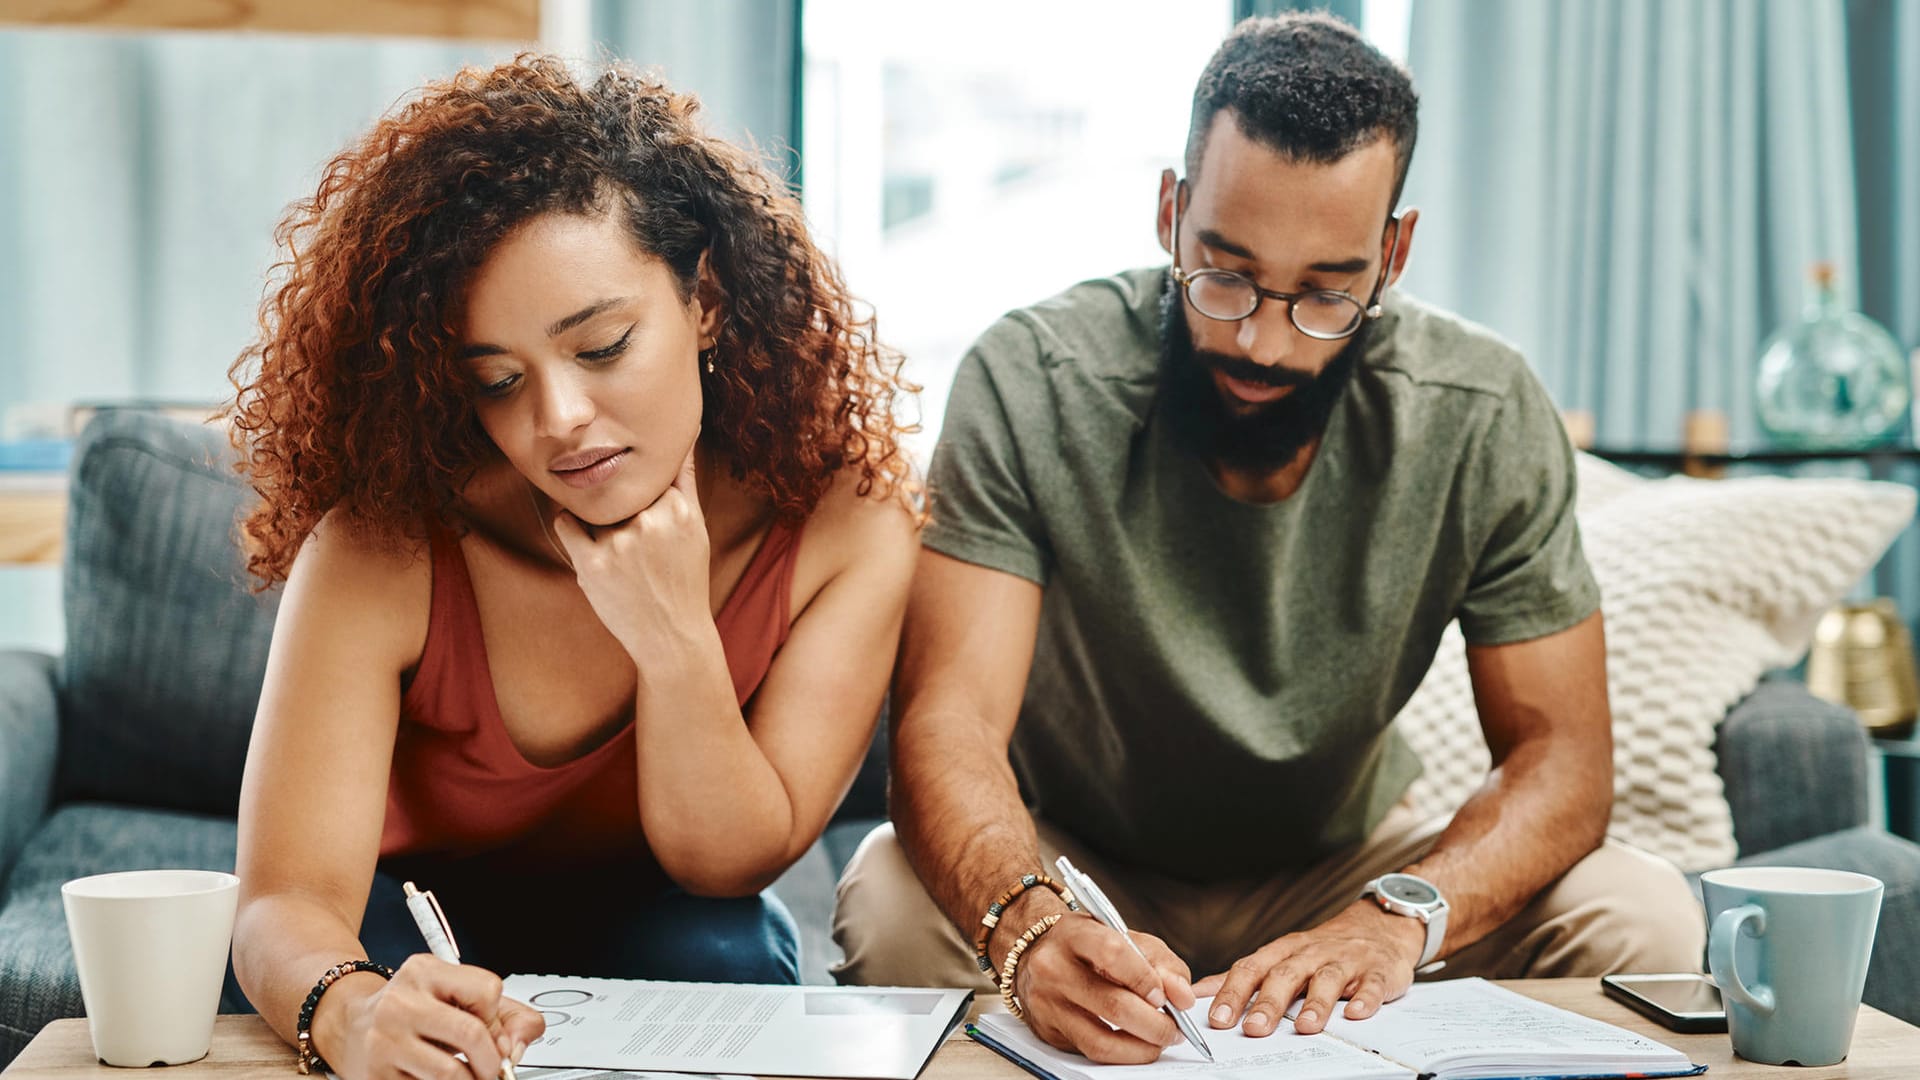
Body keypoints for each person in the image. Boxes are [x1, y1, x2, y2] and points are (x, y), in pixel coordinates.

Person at [832, 11, 1704, 1065]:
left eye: (1326, 292)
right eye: (1226, 273)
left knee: (1644, 915)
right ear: (1170, 211)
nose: (1263, 339)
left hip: (1345, 867)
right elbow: (948, 723)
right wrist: (1030, 924)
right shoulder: (1031, 380)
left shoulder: (1480, 409)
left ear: (1394, 254)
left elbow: (1563, 759)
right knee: (885, 896)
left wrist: (1394, 920)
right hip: (1081, 863)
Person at [226, 55, 919, 1080]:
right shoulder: (387, 544)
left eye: (601, 348)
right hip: (406, 919)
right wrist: (354, 1011)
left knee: (728, 956)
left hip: (670, 923)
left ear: (709, 301)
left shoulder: (848, 523)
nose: (556, 423)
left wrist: (673, 633)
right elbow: (284, 902)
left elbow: (727, 864)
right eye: (499, 382)